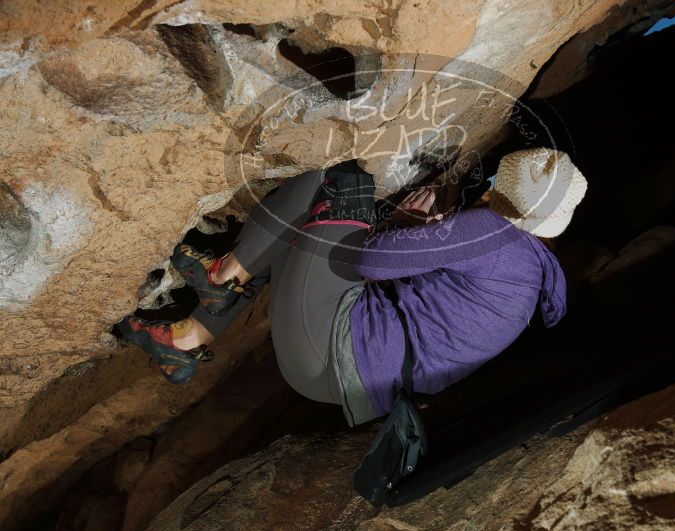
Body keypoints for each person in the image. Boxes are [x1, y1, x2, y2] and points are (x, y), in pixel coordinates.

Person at [117, 148, 588, 426]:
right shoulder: (531, 276)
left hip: (336, 346)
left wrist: (402, 225)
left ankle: (222, 275)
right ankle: (186, 340)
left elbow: (370, 259)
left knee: (341, 185)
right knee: (318, 233)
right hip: (351, 380)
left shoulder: (495, 231)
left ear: (503, 187)